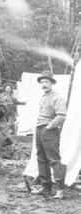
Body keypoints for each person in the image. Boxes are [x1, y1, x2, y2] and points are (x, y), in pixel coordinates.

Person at [31, 71, 67, 200]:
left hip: (50, 131)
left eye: (46, 82)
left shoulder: (57, 98)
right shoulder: (43, 97)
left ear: (52, 83)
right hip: (39, 129)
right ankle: (45, 187)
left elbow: (62, 116)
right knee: (41, 158)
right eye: (42, 82)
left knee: (54, 159)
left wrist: (49, 126)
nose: (44, 84)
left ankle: (60, 190)